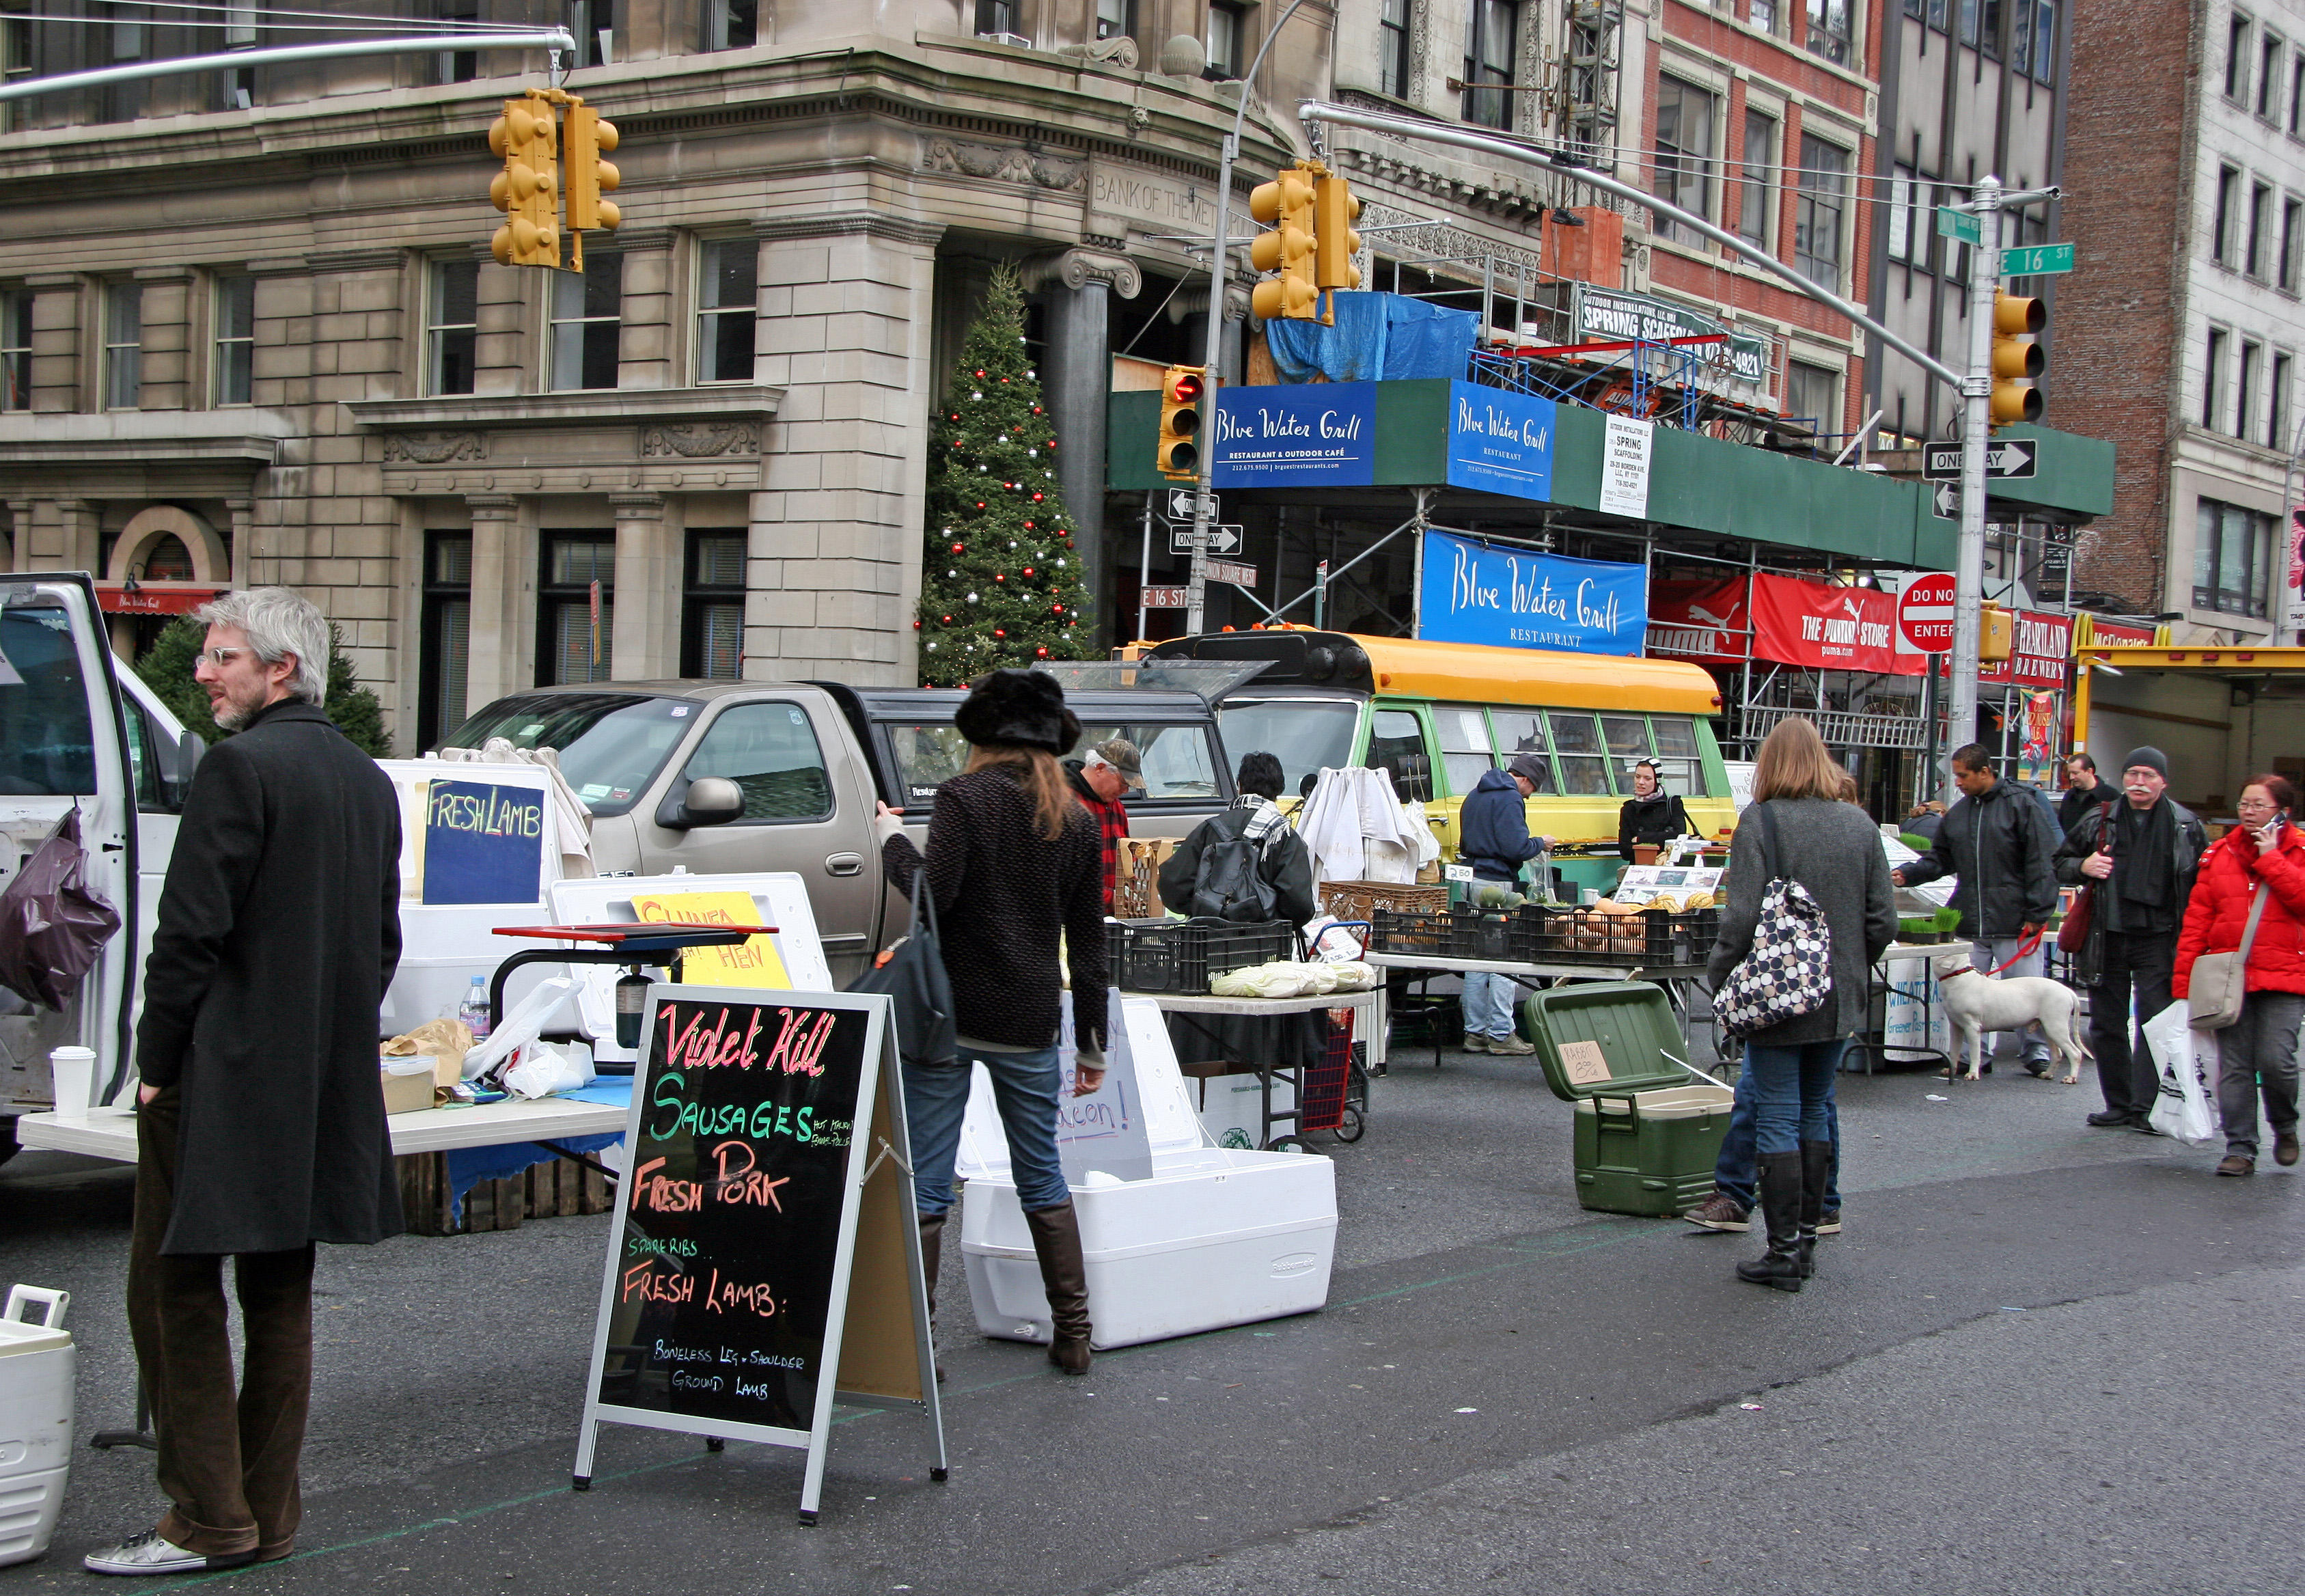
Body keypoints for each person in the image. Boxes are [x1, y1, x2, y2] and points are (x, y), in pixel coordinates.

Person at [87, 590, 403, 1577]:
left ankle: (205, 1519)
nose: (202, 672)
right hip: (315, 1075)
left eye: (224, 656)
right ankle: (265, 1515)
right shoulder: (364, 780)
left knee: (174, 1290)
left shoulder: (239, 768)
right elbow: (380, 944)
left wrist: (155, 1063)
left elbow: (189, 936)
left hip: (222, 1076)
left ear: (281, 670)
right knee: (279, 1292)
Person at [877, 670, 1109, 1374]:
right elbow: (1089, 943)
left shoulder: (962, 798)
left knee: (927, 1177)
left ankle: (914, 1345)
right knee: (1041, 1171)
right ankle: (1073, 1333)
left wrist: (890, 837)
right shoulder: (1076, 819)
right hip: (1030, 1015)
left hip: (950, 1014)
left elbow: (931, 893)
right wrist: (1092, 1045)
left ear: (979, 738)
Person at [1708, 717, 1895, 1292]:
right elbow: (1882, 919)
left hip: (1778, 992)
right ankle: (1807, 1241)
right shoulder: (1860, 825)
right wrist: (1849, 964)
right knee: (1816, 1108)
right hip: (1840, 994)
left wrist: (1721, 975)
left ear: (1768, 764)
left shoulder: (1760, 822)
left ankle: (1783, 1252)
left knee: (1777, 1113)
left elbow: (1740, 918)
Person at [2055, 747, 2207, 1131]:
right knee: (2107, 1023)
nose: (2139, 782)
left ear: (2164, 781)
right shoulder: (2100, 818)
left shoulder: (2186, 826)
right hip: (2107, 935)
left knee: (2154, 1024)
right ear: (2123, 779)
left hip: (2160, 937)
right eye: (2133, 774)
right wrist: (2083, 866)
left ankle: (2146, 1107)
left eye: (2148, 776)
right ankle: (2118, 1103)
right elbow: (2060, 862)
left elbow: (2203, 886)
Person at [1891, 745, 2060, 1075]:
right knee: (1971, 997)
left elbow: (2042, 862)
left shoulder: (2022, 805)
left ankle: (2036, 1051)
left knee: (2028, 991)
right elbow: (1942, 859)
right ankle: (1973, 1056)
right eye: (1956, 775)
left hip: (2016, 919)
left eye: (1963, 775)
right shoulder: (1959, 814)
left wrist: (2038, 913)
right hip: (1971, 917)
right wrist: (1910, 873)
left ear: (1985, 771)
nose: (1959, 783)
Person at [2172, 774, 2305, 1174]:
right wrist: (2184, 985)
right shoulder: (2219, 854)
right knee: (2234, 1065)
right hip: (2229, 976)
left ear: (2283, 812)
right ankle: (2241, 1148)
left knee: (2276, 1059)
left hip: (2286, 974)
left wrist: (2272, 859)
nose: (2248, 813)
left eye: (2258, 806)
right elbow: (2197, 920)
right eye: (2244, 805)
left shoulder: (2300, 850)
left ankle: (2284, 1125)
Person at [1455, 754, 1556, 1057]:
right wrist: (1541, 842)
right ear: (1526, 779)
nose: (1531, 794)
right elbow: (1516, 847)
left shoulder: (1475, 794)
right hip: (1497, 885)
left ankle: (1473, 1033)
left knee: (1476, 960)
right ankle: (1501, 1034)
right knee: (1503, 962)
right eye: (1534, 788)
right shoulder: (1511, 799)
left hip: (1471, 881)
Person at [1159, 752, 1318, 928]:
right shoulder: (1283, 836)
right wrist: (1268, 919)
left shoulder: (1209, 829)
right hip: (1266, 944)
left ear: (1239, 785)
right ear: (1278, 791)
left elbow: (1172, 885)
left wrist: (1205, 909)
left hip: (1207, 942)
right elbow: (1299, 904)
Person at [1062, 737, 1140, 911]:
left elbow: (1126, 857)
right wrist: (1108, 898)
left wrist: (1129, 891)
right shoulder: (1063, 803)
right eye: (1123, 783)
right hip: (1072, 916)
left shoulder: (1116, 807)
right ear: (1100, 769)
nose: (1126, 791)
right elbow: (1064, 872)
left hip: (1110, 918)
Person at [1617, 759, 1693, 858]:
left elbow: (1678, 836)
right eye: (1637, 777)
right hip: (1639, 868)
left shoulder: (1672, 805)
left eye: (1647, 778)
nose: (1640, 782)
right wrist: (1662, 837)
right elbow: (1625, 852)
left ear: (1657, 781)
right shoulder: (1629, 809)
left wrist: (1641, 838)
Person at [2058, 752, 2118, 839]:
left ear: (2089, 772)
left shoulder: (2111, 796)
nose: (2071, 777)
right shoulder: (2069, 796)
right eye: (2070, 773)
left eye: (2075, 773)